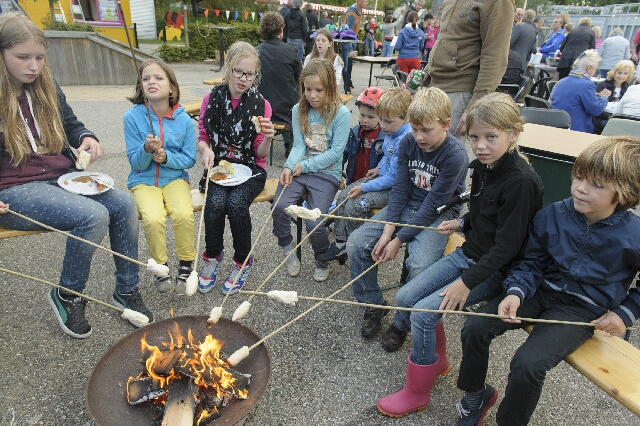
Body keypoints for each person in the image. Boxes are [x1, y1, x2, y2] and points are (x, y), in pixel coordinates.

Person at [376, 92, 544, 418]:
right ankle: (437, 360)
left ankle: (417, 392)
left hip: (494, 268)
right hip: (470, 252)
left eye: (491, 137)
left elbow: (508, 246)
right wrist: (463, 221)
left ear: (513, 134)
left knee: (424, 313)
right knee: (407, 295)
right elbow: (487, 212)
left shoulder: (521, 181)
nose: (480, 146)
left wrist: (465, 284)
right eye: (475, 137)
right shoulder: (484, 165)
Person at [454, 136, 640, 426]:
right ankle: (476, 395)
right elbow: (531, 261)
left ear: (625, 194)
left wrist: (624, 313)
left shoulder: (634, 234)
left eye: (597, 185)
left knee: (528, 364)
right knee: (475, 327)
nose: (581, 188)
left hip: (581, 310)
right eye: (578, 177)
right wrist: (515, 292)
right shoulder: (552, 214)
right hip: (538, 291)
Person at [0, 12, 153, 338]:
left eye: (39, 57)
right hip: (14, 188)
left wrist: (87, 137)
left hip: (60, 176)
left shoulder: (47, 86)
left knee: (124, 204)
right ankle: (67, 294)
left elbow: (72, 125)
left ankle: (126, 291)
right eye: (23, 57)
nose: (34, 66)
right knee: (93, 215)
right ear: (2, 54)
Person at [347, 87, 469, 339]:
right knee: (357, 243)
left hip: (438, 214)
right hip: (404, 205)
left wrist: (398, 240)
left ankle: (402, 322)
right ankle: (374, 305)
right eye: (414, 129)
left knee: (420, 264)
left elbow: (433, 205)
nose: (419, 136)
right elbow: (401, 190)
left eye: (426, 130)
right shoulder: (408, 142)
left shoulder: (455, 156)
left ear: (446, 124)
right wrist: (387, 233)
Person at [196, 41, 275, 295]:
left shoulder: (261, 105)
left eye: (249, 74)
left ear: (256, 75)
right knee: (216, 204)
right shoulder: (211, 98)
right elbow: (203, 135)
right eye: (238, 71)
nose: (243, 78)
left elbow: (260, 153)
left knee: (237, 204)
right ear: (228, 68)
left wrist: (269, 138)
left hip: (251, 169)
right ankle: (212, 255)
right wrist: (205, 149)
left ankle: (242, 260)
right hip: (220, 166)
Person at [271, 59, 350, 282]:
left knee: (314, 221)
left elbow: (335, 153)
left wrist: (304, 165)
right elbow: (299, 145)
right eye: (307, 89)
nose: (312, 95)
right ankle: (287, 247)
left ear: (331, 88)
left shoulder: (341, 113)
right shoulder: (299, 109)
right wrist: (288, 166)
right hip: (299, 169)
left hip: (327, 172)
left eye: (318, 90)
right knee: (280, 206)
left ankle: (321, 257)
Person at [124, 59, 196, 295]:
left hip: (174, 179)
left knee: (184, 214)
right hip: (143, 181)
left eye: (158, 78)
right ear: (140, 87)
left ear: (171, 88)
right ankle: (161, 268)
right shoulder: (132, 118)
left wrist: (167, 159)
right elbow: (135, 162)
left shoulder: (184, 120)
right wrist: (146, 150)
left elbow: (189, 159)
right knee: (153, 218)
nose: (151, 82)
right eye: (146, 79)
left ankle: (186, 264)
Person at [318, 87, 411, 265]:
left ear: (405, 118)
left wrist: (363, 186)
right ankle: (340, 242)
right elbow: (386, 156)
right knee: (344, 195)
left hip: (395, 188)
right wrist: (378, 168)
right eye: (381, 120)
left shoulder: (404, 140)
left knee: (356, 204)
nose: (383, 126)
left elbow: (393, 179)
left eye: (387, 121)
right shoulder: (393, 131)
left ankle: (355, 244)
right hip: (382, 178)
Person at [422, 0, 514, 134]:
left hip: (461, 93)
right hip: (436, 89)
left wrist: (475, 106)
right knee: (429, 151)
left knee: (455, 152)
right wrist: (428, 69)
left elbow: (496, 54)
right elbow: (447, 35)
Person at [257, 13, 300, 159]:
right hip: (286, 109)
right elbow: (299, 78)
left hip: (261, 108)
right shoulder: (291, 51)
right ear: (281, 29)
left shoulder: (255, 52)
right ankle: (290, 145)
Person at [551, 50, 610, 133]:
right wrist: (604, 97)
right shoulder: (587, 85)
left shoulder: (562, 81)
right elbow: (596, 110)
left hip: (557, 126)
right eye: (595, 68)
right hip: (577, 129)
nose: (595, 71)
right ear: (589, 68)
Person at [341, 0, 367, 94]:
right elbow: (348, 31)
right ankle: (346, 85)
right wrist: (350, 48)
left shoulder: (359, 11)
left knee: (350, 64)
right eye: (365, 1)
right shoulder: (352, 14)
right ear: (359, 2)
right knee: (347, 64)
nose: (367, 3)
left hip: (353, 40)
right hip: (348, 41)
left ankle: (348, 81)